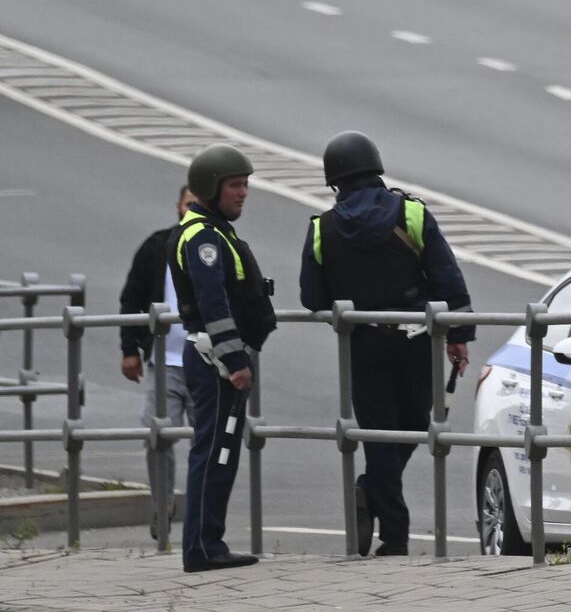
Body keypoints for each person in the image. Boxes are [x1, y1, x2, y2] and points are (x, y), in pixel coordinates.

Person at [300, 131, 473, 558]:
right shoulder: (412, 213)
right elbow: (447, 277)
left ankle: (393, 536)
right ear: (376, 168)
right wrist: (459, 336)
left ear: (335, 181)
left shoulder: (322, 228)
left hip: (363, 344)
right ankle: (372, 495)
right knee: (417, 425)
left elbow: (311, 297)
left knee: (378, 438)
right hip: (415, 341)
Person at [171, 143, 276, 573]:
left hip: (219, 359)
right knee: (212, 452)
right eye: (235, 185)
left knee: (222, 453)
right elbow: (214, 304)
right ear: (211, 189)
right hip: (215, 361)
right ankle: (201, 547)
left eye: (246, 184)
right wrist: (236, 362)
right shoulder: (203, 239)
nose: (243, 192)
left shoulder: (214, 232)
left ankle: (209, 542)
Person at [119, 184, 195, 541]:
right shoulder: (156, 246)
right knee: (157, 436)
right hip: (163, 363)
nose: (192, 209)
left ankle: (202, 512)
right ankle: (162, 502)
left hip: (206, 363)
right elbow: (132, 297)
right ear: (178, 206)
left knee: (208, 441)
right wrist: (130, 348)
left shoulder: (218, 246)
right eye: (188, 203)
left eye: (199, 204)